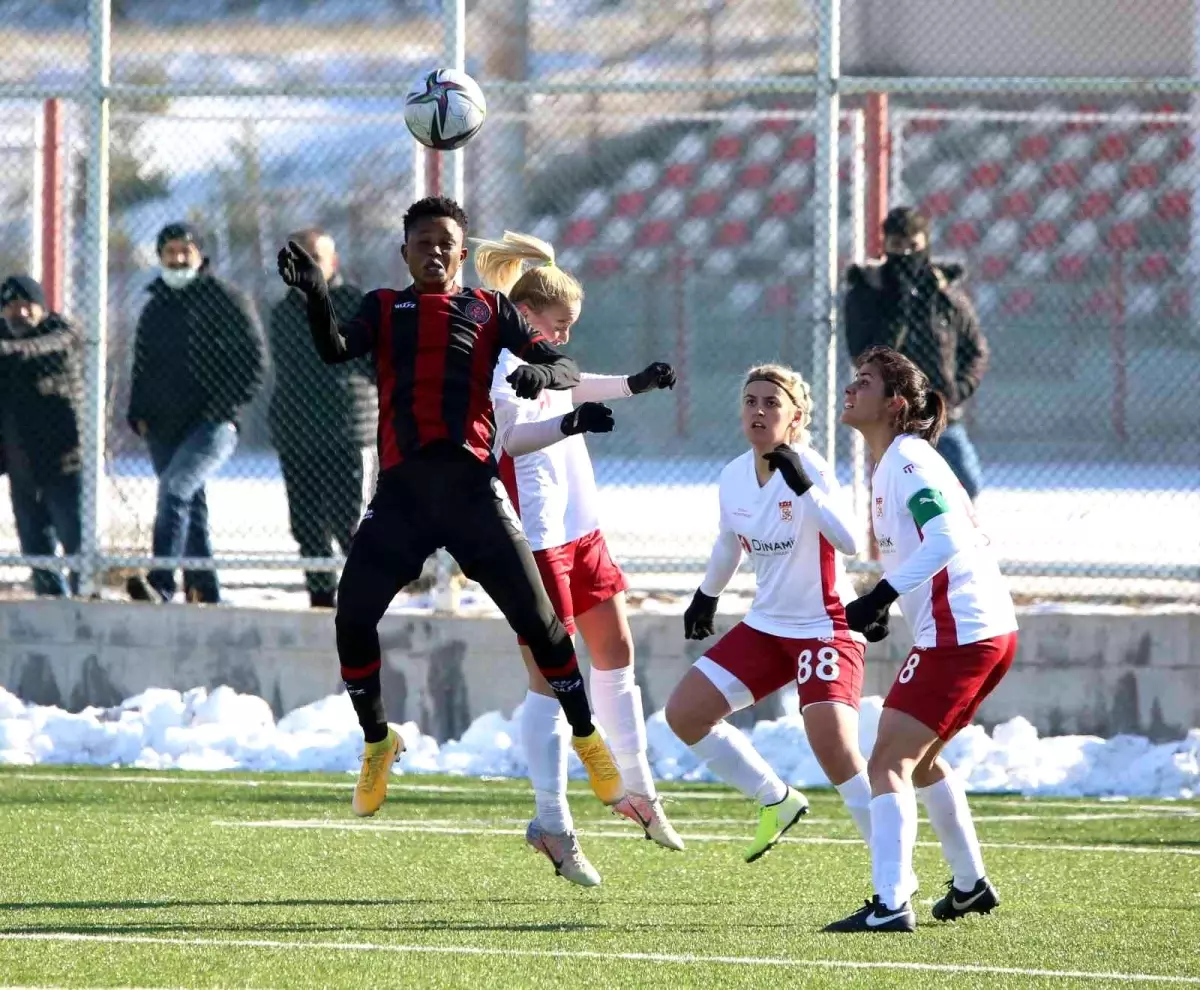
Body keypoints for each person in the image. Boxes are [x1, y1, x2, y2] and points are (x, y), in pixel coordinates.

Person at [276, 197, 623, 819]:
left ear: (462, 253)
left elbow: (563, 363)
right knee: (351, 619)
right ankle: (379, 741)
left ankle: (587, 736)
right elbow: (334, 349)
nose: (434, 250)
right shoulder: (383, 307)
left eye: (446, 242)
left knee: (542, 624)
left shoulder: (490, 309)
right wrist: (315, 293)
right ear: (403, 251)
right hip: (402, 499)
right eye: (422, 241)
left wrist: (543, 378)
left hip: (473, 495)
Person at [476, 231, 683, 886]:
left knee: (615, 650)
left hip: (580, 526)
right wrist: (571, 423)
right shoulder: (497, 361)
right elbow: (512, 436)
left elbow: (572, 385)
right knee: (551, 680)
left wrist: (633, 384)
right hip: (535, 538)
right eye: (556, 324)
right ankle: (551, 822)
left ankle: (639, 791)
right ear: (527, 315)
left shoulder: (542, 356)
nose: (563, 337)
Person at [825, 345, 1018, 933]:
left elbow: (947, 539)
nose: (850, 390)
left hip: (963, 635)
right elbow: (927, 550)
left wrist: (882, 594)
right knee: (923, 760)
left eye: (864, 382)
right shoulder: (896, 461)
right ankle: (969, 884)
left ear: (896, 404)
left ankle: (890, 903)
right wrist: (891, 603)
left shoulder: (907, 461)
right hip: (984, 631)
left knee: (887, 760)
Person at [663, 363, 884, 866]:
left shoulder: (810, 467)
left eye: (771, 404)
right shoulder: (733, 475)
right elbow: (728, 541)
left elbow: (849, 543)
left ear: (796, 417)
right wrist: (706, 595)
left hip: (826, 628)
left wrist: (805, 484)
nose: (758, 412)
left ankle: (892, 873)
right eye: (750, 402)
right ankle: (776, 799)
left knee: (835, 748)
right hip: (767, 626)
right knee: (686, 713)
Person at [126, 222, 266, 605]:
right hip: (162, 426)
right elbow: (142, 365)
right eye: (169, 252)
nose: (177, 258)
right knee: (191, 507)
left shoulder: (227, 298)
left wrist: (223, 411)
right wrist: (138, 412)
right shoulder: (155, 306)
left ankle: (161, 583)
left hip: (212, 424)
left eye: (184, 251)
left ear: (200, 254)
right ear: (160, 257)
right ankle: (204, 592)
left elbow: (254, 363)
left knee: (175, 489)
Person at [844, 206, 989, 501]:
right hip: (889, 414)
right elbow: (862, 353)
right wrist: (897, 310)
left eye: (914, 245)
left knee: (967, 483)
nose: (907, 254)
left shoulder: (943, 294)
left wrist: (957, 390)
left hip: (941, 409)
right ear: (885, 245)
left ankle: (949, 542)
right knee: (900, 493)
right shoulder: (868, 292)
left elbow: (975, 349)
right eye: (898, 246)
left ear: (926, 243)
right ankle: (908, 545)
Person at [268, 227, 376, 610]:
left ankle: (362, 596)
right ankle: (320, 595)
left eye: (314, 257)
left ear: (333, 262)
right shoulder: (283, 310)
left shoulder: (354, 302)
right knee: (307, 524)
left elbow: (375, 366)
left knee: (350, 521)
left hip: (346, 430)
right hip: (296, 433)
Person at [0, 275, 83, 597]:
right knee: (36, 551)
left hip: (64, 463)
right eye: (10, 307)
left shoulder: (61, 333)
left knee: (77, 543)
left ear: (42, 308)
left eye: (26, 306)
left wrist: (8, 349)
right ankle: (53, 610)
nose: (18, 313)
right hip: (22, 470)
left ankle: (85, 604)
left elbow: (38, 348)